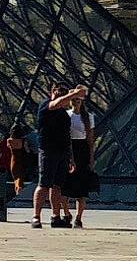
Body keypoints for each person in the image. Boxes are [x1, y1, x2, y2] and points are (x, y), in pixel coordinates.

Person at [33, 86, 74, 228]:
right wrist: (73, 94)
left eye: (64, 92)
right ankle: (36, 217)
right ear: (51, 92)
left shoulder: (64, 114)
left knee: (57, 186)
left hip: (62, 152)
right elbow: (55, 104)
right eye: (58, 91)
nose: (61, 95)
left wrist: (70, 157)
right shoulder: (45, 105)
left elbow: (67, 135)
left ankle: (55, 216)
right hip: (48, 150)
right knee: (43, 184)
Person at [64, 90, 96, 229]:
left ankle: (78, 218)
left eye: (79, 99)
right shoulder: (66, 115)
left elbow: (90, 139)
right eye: (74, 99)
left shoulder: (88, 117)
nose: (77, 101)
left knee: (82, 188)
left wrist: (91, 158)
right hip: (69, 148)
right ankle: (66, 213)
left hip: (82, 150)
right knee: (65, 186)